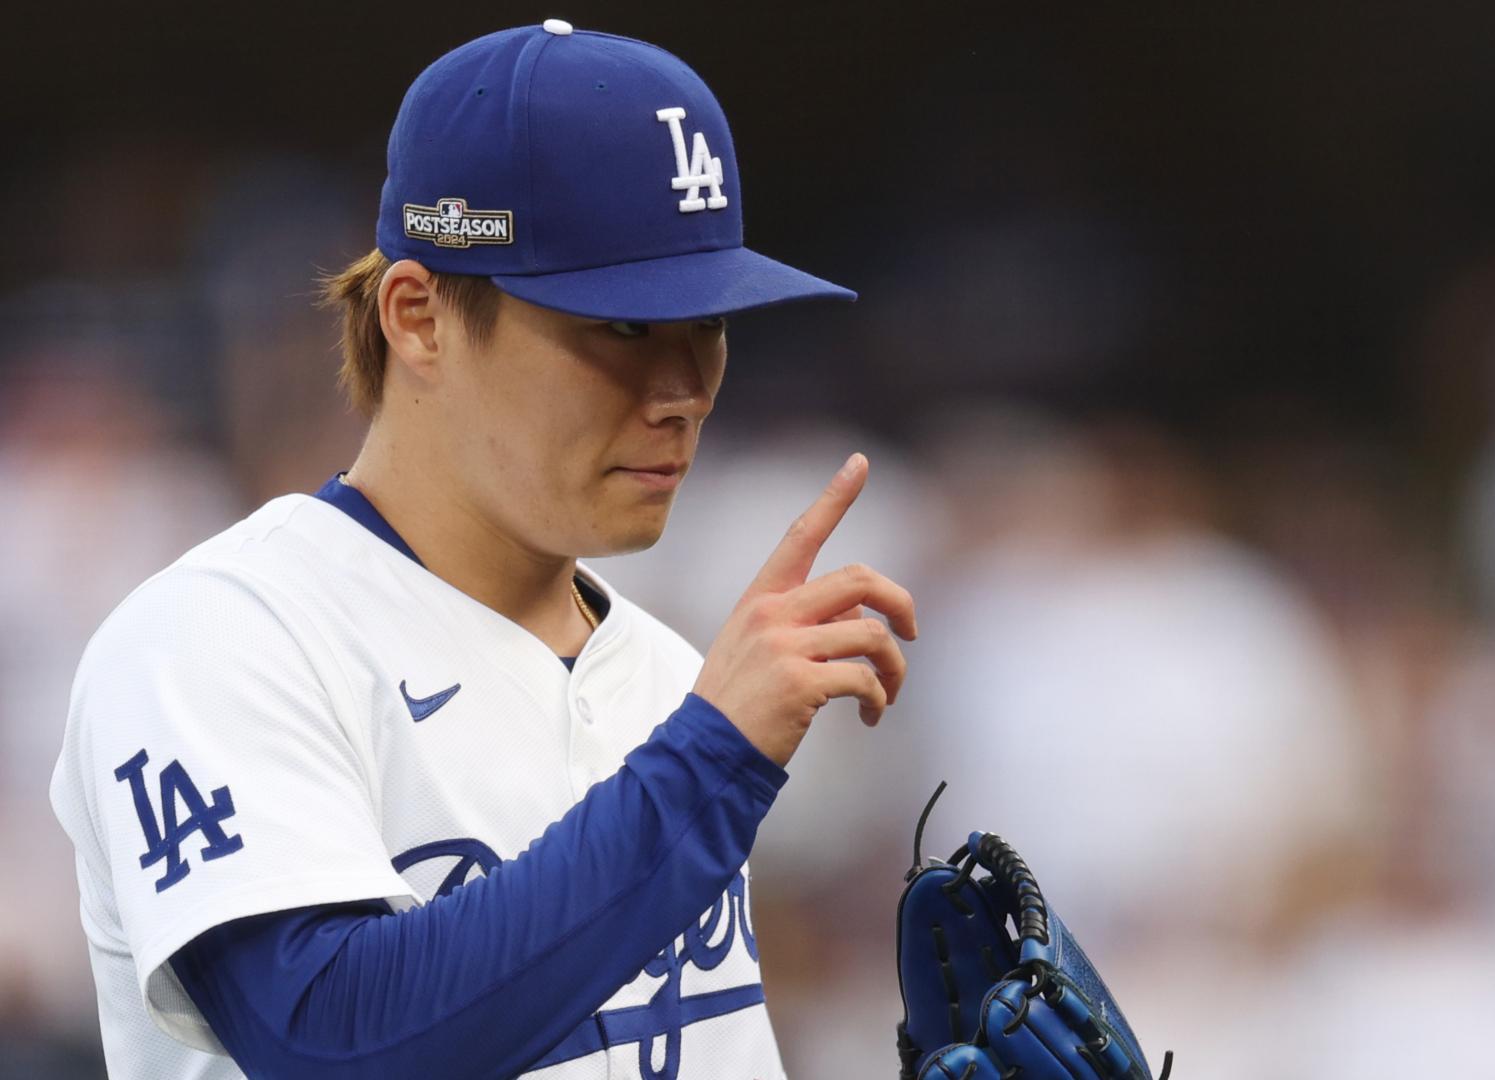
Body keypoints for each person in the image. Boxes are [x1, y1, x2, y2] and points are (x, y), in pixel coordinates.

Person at [47, 21, 914, 1079]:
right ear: (418, 317)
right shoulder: (220, 638)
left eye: (709, 322)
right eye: (624, 326)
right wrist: (712, 764)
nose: (684, 389)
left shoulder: (672, 682)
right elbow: (328, 1039)